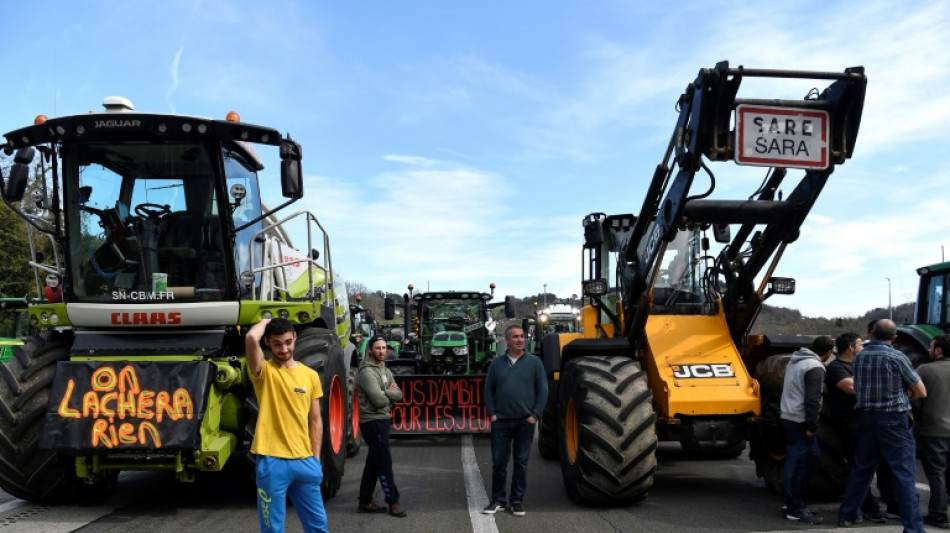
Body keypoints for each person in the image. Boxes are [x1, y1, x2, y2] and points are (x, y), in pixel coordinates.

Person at [837, 319, 927, 531]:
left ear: (872, 334)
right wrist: (906, 390)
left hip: (866, 418)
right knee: (904, 475)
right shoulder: (897, 356)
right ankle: (913, 528)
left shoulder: (859, 357)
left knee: (862, 469)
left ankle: (848, 514)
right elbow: (921, 391)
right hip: (894, 419)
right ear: (894, 338)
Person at [245, 317, 328, 533]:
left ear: (295, 338)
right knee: (273, 528)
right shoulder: (264, 373)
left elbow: (316, 420)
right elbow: (251, 337)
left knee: (318, 526)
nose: (284, 349)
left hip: (305, 461)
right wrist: (265, 321)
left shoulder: (310, 376)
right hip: (272, 461)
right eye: (277, 344)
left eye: (288, 342)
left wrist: (316, 458)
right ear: (268, 344)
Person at [482, 325, 547, 517]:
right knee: (499, 463)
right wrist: (492, 413)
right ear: (507, 341)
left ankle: (517, 501)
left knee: (521, 463)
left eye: (522, 336)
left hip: (524, 423)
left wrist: (535, 415)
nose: (520, 340)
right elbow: (489, 390)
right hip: (500, 421)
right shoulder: (496, 364)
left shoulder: (535, 363)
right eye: (516, 337)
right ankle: (498, 500)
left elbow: (543, 390)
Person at [826, 333, 887, 523]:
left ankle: (874, 503)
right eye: (860, 345)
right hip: (849, 423)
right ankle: (868, 506)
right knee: (858, 465)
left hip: (865, 421)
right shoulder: (836, 367)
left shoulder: (859, 366)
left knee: (870, 465)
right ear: (851, 348)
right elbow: (851, 388)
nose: (863, 348)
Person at [779, 335, 834, 524]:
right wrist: (812, 425)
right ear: (828, 353)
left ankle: (795, 500)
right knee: (796, 465)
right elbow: (813, 399)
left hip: (790, 416)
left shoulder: (795, 362)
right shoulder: (815, 367)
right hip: (800, 420)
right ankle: (793, 508)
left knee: (813, 460)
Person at [355, 334, 406, 517]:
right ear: (370, 350)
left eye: (384, 348)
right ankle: (393, 501)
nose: (382, 351)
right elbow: (377, 401)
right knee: (384, 461)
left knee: (374, 461)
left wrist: (384, 392)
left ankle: (365, 500)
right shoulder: (367, 372)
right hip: (372, 421)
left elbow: (399, 394)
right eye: (378, 348)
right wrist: (386, 392)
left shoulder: (384, 370)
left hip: (382, 420)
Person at [914, 334, 950, 529]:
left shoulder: (925, 370)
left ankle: (939, 514)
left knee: (936, 474)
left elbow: (914, 400)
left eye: (931, 347)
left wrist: (921, 420)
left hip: (934, 430)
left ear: (938, 350)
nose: (928, 350)